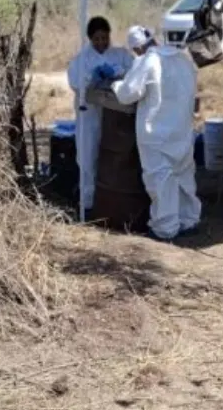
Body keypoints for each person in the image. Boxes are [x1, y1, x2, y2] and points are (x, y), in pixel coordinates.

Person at [113, 25, 201, 241]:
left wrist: (116, 84)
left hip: (156, 133)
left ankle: (165, 228)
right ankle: (189, 220)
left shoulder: (147, 61)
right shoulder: (184, 59)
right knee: (183, 177)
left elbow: (128, 94)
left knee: (160, 181)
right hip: (181, 131)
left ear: (137, 48)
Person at [68, 16, 136, 213]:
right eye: (97, 39)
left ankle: (111, 202)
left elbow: (134, 73)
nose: (101, 43)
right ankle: (88, 204)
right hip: (89, 117)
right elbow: (76, 83)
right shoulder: (81, 60)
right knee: (88, 160)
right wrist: (92, 78)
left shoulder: (120, 54)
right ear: (90, 39)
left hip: (115, 118)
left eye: (104, 38)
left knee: (113, 159)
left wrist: (118, 72)